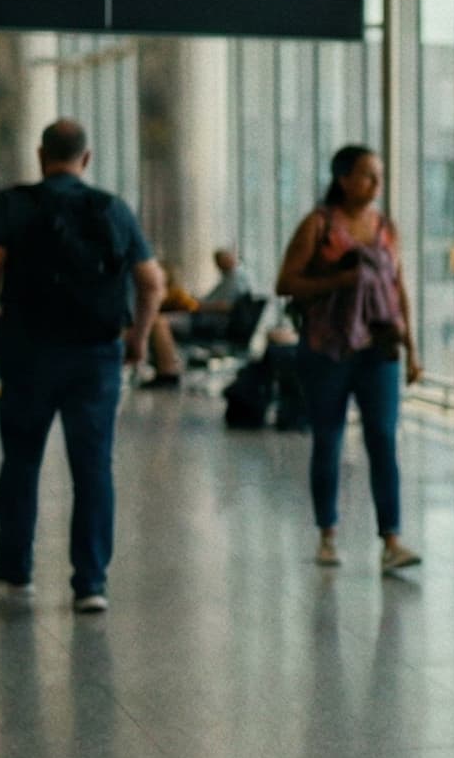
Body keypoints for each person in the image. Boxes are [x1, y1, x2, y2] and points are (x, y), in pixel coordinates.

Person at [0, 119, 165, 614]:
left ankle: (15, 567)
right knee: (93, 467)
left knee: (21, 461)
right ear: (86, 158)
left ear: (40, 155)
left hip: (27, 352)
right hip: (95, 356)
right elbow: (152, 282)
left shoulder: (12, 204)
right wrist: (138, 337)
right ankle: (90, 582)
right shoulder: (112, 208)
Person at [276, 146, 422, 574]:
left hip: (379, 347)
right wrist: (340, 279)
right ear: (344, 179)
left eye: (379, 176)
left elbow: (399, 290)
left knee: (383, 438)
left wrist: (412, 349)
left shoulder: (385, 229)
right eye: (367, 176)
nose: (376, 185)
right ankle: (328, 532)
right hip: (328, 348)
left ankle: (391, 539)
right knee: (328, 438)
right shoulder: (319, 225)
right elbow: (286, 282)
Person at [141, 247, 257, 390]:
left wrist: (197, 306)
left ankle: (167, 372)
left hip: (210, 322)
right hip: (205, 318)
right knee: (157, 320)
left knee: (159, 322)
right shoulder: (229, 279)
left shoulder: (236, 279)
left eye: (221, 260)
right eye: (217, 261)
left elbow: (227, 306)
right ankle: (164, 366)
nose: (218, 265)